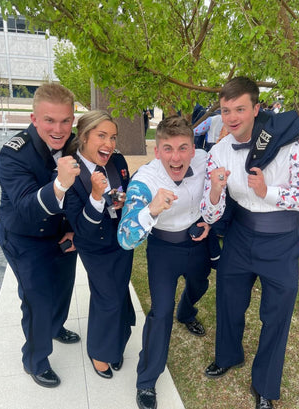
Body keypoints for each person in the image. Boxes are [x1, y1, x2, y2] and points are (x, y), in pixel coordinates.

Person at [200, 77, 299, 409]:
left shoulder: (291, 145)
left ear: (256, 108)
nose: (232, 117)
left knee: (276, 315)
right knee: (228, 299)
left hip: (281, 240)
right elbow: (210, 214)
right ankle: (228, 356)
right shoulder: (220, 151)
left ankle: (265, 385)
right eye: (226, 110)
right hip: (240, 236)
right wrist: (214, 190)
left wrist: (268, 191)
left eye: (240, 109)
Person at [118, 116, 213, 409]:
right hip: (163, 250)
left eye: (183, 148)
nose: (176, 156)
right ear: (157, 150)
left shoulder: (204, 159)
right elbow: (126, 238)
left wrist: (209, 221)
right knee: (160, 313)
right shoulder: (145, 180)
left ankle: (187, 312)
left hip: (197, 242)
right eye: (168, 149)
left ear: (193, 148)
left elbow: (218, 192)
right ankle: (146, 381)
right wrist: (151, 208)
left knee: (200, 283)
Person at [0, 83, 81, 388]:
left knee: (63, 289)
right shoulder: (12, 154)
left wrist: (73, 228)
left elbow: (82, 194)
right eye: (49, 120)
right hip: (24, 238)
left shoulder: (75, 144)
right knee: (37, 301)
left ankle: (55, 327)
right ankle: (35, 360)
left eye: (65, 120)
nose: (58, 129)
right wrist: (59, 184)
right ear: (34, 119)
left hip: (62, 234)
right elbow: (26, 207)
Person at [64, 110, 135, 379]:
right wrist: (95, 196)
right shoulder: (70, 169)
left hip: (121, 241)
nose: (110, 144)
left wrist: (124, 199)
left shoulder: (117, 161)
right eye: (102, 136)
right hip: (93, 246)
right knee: (108, 298)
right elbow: (81, 228)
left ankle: (116, 341)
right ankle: (99, 351)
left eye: (113, 137)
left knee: (119, 292)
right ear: (83, 137)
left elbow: (123, 195)